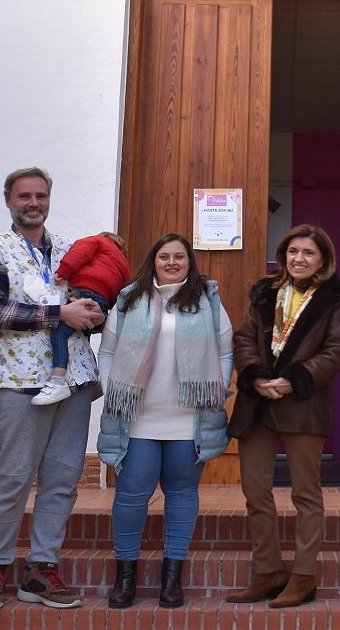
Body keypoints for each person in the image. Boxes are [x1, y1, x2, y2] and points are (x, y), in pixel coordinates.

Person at [0, 167, 107, 610]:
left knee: (63, 480)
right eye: (24, 195)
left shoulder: (71, 248)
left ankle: (42, 570)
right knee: (12, 478)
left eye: (40, 195)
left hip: (76, 379)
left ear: (49, 199)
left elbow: (96, 294)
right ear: (8, 199)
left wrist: (94, 311)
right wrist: (59, 314)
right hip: (17, 379)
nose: (33, 203)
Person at [96, 233, 233, 609]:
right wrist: (114, 391)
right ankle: (126, 579)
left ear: (189, 261)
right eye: (164, 257)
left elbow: (225, 352)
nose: (172, 263)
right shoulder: (130, 299)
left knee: (182, 496)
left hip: (187, 422)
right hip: (137, 421)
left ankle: (171, 580)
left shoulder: (207, 300)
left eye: (179, 257)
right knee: (130, 497)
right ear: (152, 262)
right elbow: (106, 352)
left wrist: (217, 390)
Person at [225, 225, 340, 609]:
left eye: (308, 253)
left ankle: (302, 576)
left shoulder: (334, 299)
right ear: (283, 256)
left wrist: (292, 381)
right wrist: (257, 377)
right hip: (259, 402)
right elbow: (244, 338)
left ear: (323, 260)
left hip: (302, 404)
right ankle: (267, 573)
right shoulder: (265, 294)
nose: (299, 259)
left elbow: (337, 349)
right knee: (255, 492)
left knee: (306, 494)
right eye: (293, 251)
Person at [33, 231, 133, 405]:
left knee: (59, 333)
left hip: (84, 290)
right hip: (101, 301)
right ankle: (87, 380)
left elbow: (81, 250)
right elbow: (122, 293)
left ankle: (58, 381)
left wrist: (64, 270)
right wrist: (104, 310)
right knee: (77, 332)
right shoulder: (124, 264)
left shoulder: (99, 241)